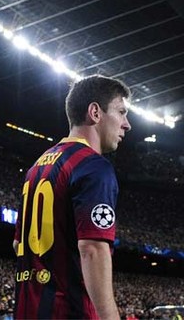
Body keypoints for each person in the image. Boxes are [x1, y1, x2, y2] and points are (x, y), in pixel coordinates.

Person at [12, 74, 131, 320]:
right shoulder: (94, 166)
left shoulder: (38, 166)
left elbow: (17, 244)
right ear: (95, 112)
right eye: (121, 112)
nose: (126, 124)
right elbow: (92, 250)